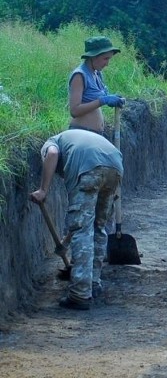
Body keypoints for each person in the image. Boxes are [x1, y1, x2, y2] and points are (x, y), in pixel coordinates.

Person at [30, 129, 124, 310]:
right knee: (98, 227)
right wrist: (65, 243)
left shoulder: (52, 143)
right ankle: (94, 283)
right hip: (115, 166)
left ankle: (80, 293)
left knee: (83, 230)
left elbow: (52, 154)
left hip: (90, 169)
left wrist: (43, 190)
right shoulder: (76, 140)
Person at [68, 36, 125, 135]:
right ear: (93, 57)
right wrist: (102, 101)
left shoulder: (97, 73)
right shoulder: (79, 76)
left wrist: (111, 99)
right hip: (82, 133)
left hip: (95, 134)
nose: (107, 64)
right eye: (105, 59)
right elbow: (74, 111)